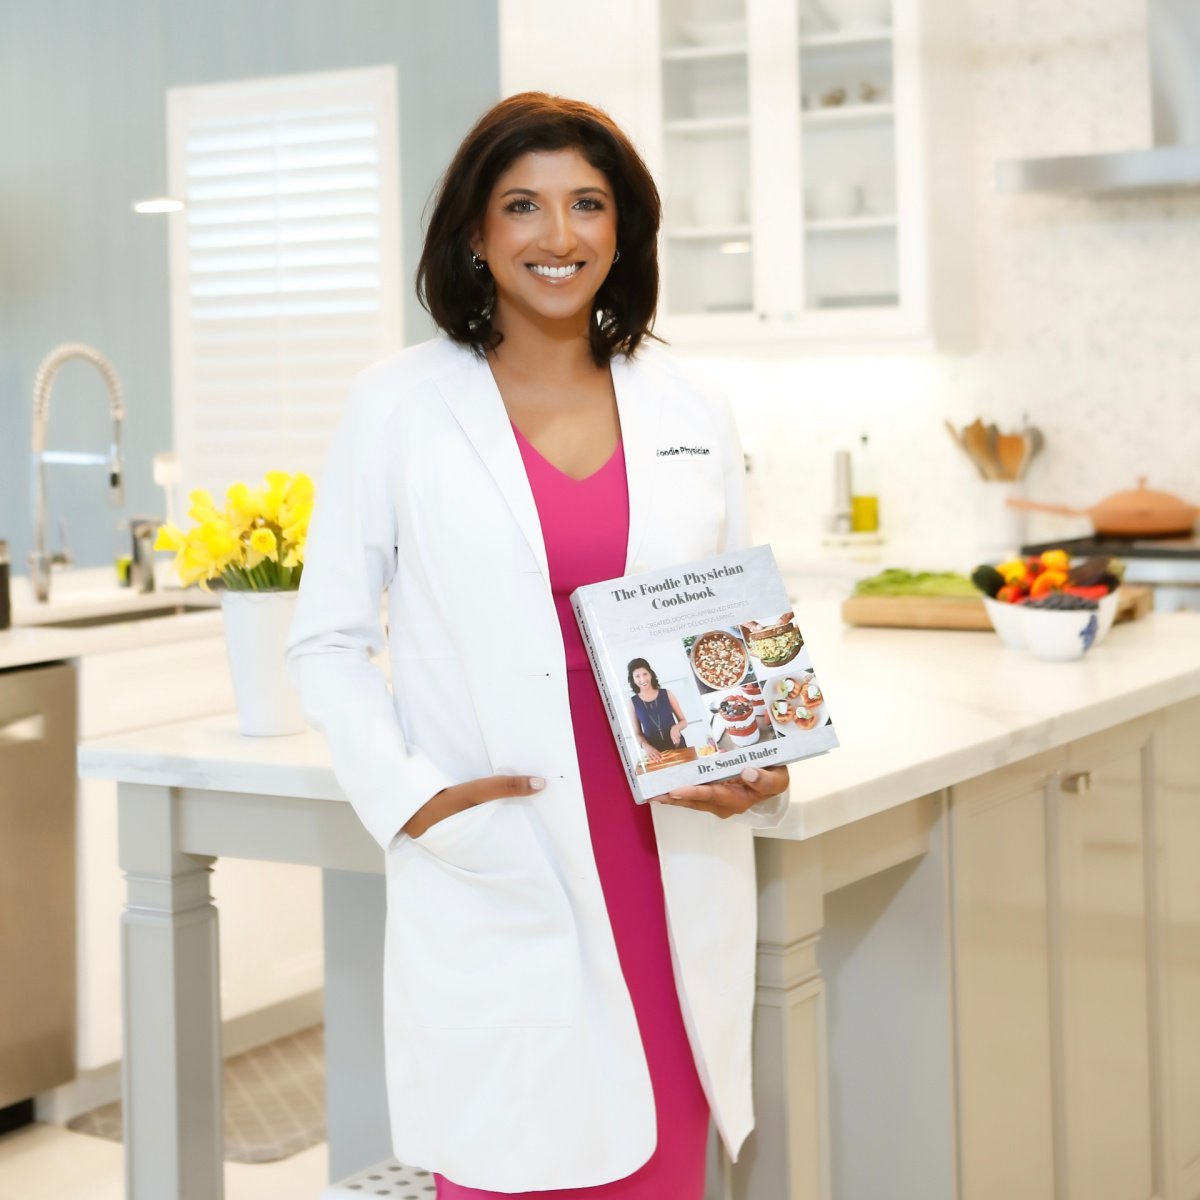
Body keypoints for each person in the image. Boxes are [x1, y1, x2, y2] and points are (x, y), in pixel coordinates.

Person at [285, 92, 789, 1199]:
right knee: (513, 1157)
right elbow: (326, 638)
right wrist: (413, 799)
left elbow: (724, 624)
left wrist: (754, 750)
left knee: (662, 1156)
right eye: (522, 205)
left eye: (587, 204)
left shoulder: (690, 402)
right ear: (475, 230)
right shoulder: (399, 404)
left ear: (624, 228)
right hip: (502, 840)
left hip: (664, 840)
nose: (558, 235)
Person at [627, 657, 687, 762]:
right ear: (633, 680)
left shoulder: (667, 694)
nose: (642, 679)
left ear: (650, 674)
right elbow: (637, 733)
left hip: (678, 747)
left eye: (645, 674)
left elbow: (683, 721)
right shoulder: (633, 702)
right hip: (655, 755)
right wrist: (645, 745)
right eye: (637, 676)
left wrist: (676, 727)